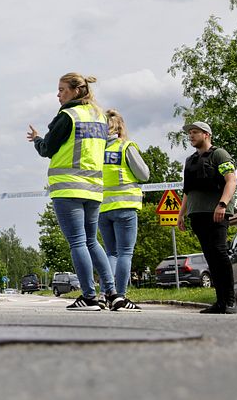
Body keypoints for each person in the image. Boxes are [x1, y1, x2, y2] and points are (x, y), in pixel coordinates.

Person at [28, 72, 117, 311]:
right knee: (92, 241)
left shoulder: (68, 115)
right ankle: (112, 293)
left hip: (69, 187)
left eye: (61, 90)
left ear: (76, 91)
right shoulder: (100, 117)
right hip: (94, 189)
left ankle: (89, 296)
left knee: (78, 242)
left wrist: (37, 139)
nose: (58, 95)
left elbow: (47, 148)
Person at [177, 121, 237, 314]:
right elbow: (188, 190)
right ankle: (220, 302)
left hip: (217, 212)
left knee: (220, 253)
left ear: (206, 134)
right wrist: (181, 214)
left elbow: (231, 180)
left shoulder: (219, 154)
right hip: (197, 214)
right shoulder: (190, 160)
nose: (191, 136)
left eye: (195, 133)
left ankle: (230, 301)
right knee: (210, 257)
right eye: (190, 134)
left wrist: (222, 204)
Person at [97, 110, 149, 311]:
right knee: (125, 253)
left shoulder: (96, 151)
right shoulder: (125, 147)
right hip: (125, 207)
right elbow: (144, 174)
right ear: (120, 127)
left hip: (102, 208)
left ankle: (104, 294)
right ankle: (119, 296)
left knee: (110, 253)